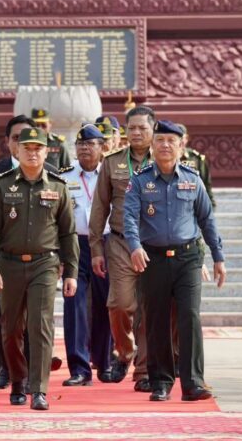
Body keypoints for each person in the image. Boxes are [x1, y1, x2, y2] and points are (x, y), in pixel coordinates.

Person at [124, 120, 226, 402]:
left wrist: (218, 256)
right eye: (160, 140)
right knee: (156, 319)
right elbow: (129, 217)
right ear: (152, 146)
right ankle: (160, 382)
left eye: (172, 141)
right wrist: (134, 247)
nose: (165, 146)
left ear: (182, 146)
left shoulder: (193, 179)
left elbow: (207, 219)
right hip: (153, 258)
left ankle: (193, 383)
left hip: (188, 258)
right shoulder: (140, 181)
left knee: (189, 317)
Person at [0, 126, 79, 410]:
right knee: (11, 328)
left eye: (38, 148)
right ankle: (17, 380)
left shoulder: (58, 186)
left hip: (45, 264)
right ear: (17, 149)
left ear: (46, 151)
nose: (33, 153)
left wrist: (71, 271)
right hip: (9, 264)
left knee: (40, 325)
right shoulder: (2, 185)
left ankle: (39, 389)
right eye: (27, 148)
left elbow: (68, 232)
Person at [89, 105, 155, 392]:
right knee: (119, 304)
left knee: (148, 309)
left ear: (153, 129)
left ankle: (144, 371)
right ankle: (125, 351)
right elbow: (100, 206)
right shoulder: (112, 162)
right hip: (119, 242)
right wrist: (96, 248)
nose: (136, 132)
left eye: (143, 127)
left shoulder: (163, 159)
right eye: (132, 128)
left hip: (154, 245)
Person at [59, 124, 114, 385]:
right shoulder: (64, 176)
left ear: (103, 147)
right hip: (75, 244)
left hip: (107, 243)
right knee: (75, 305)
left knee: (107, 304)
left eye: (90, 144)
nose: (84, 148)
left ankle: (105, 362)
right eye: (80, 144)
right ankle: (79, 368)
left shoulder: (113, 174)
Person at [179, 126, 215, 208]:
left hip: (193, 205)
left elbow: (206, 184)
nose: (179, 141)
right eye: (176, 138)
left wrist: (211, 206)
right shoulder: (161, 158)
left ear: (186, 138)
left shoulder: (196, 158)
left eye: (181, 138)